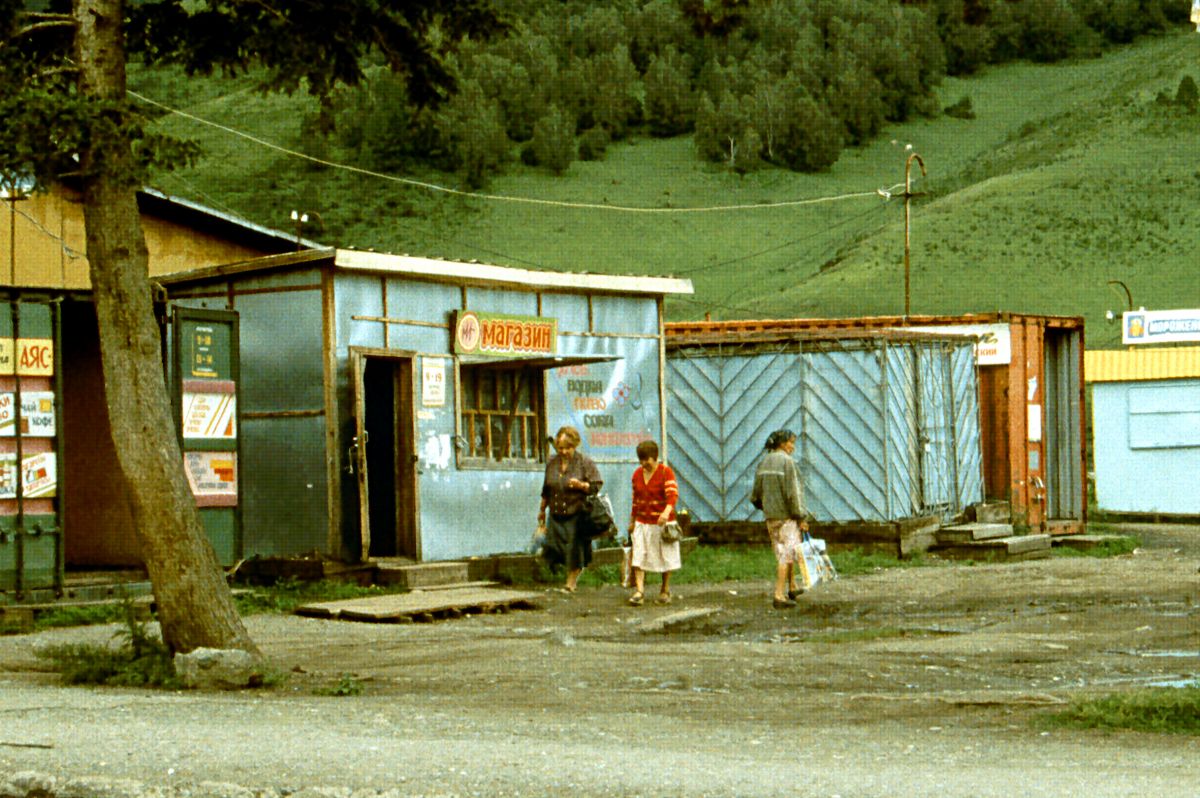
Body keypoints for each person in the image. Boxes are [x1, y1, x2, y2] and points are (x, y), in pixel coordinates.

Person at [750, 429, 810, 609]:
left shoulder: (763, 463)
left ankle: (792, 586)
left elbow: (755, 495)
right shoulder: (788, 462)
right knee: (787, 555)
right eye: (791, 443)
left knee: (783, 552)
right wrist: (801, 517)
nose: (792, 447)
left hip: (771, 518)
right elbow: (794, 493)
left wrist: (766, 507)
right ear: (783, 444)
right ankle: (778, 595)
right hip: (787, 517)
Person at [538, 425, 602, 593]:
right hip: (556, 512)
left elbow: (596, 485)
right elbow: (546, 489)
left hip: (577, 512)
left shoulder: (584, 462)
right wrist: (542, 511)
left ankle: (570, 583)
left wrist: (581, 485)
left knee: (575, 548)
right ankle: (557, 574)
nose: (564, 451)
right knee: (554, 547)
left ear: (575, 445)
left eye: (568, 448)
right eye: (561, 448)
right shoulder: (552, 462)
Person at [626, 440, 681, 606]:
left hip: (661, 523)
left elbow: (672, 496)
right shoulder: (637, 474)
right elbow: (635, 500)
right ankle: (639, 591)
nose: (643, 464)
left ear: (654, 458)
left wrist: (665, 513)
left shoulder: (666, 472)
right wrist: (632, 521)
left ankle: (665, 589)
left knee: (665, 556)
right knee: (638, 554)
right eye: (641, 460)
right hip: (643, 522)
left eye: (646, 460)